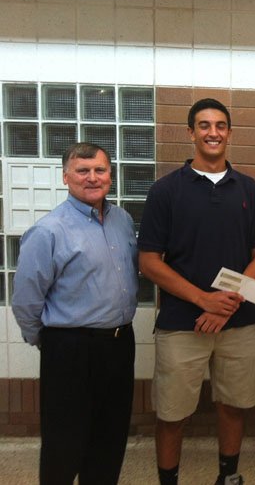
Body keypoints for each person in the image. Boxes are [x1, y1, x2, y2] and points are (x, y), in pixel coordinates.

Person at [138, 98, 255, 485]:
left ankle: (228, 477)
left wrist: (224, 307)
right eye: (204, 125)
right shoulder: (165, 191)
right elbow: (149, 262)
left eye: (220, 125)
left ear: (229, 133)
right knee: (172, 413)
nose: (212, 132)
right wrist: (203, 300)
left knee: (233, 407)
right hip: (183, 322)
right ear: (191, 132)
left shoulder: (249, 189)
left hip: (239, 321)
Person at [12, 142, 138, 484]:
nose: (92, 178)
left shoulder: (123, 221)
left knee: (110, 438)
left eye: (100, 170)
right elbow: (25, 299)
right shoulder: (48, 230)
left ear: (111, 176)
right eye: (83, 171)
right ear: (66, 177)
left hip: (119, 343)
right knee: (64, 443)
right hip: (69, 348)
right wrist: (50, 341)